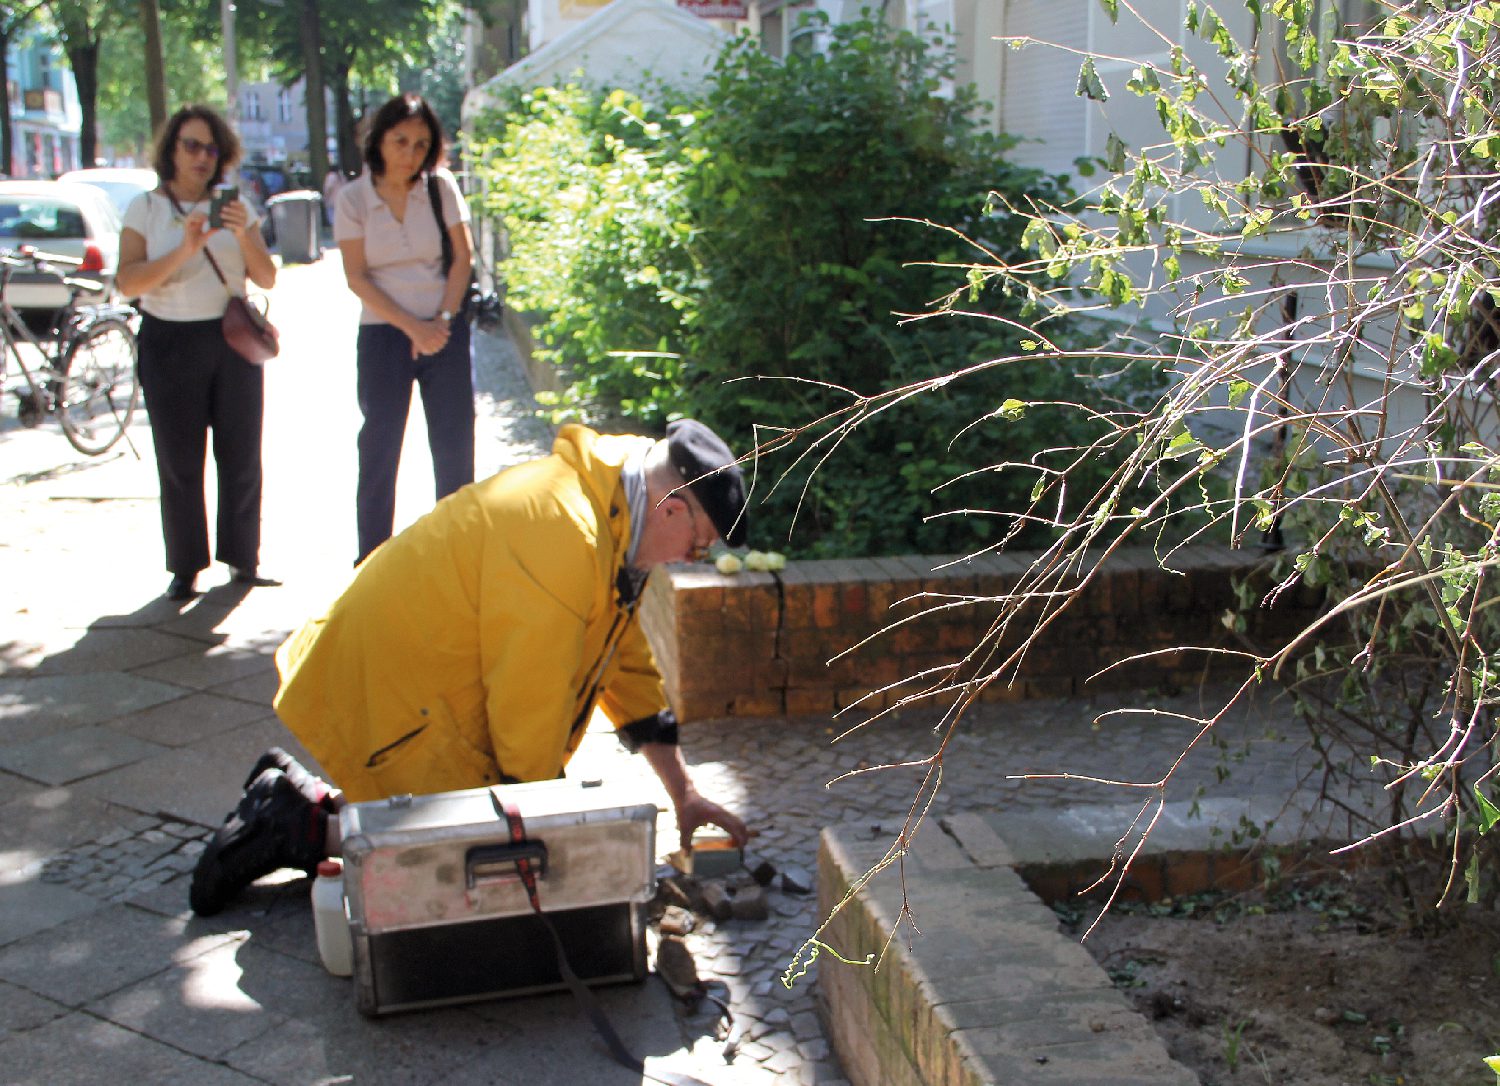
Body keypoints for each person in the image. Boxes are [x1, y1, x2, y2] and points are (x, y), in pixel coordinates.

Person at [189, 419, 753, 916]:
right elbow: (525, 713)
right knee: (469, 850)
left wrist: (684, 794)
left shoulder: (617, 517)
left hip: (415, 679)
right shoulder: (564, 535)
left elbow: (626, 669)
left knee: (487, 826)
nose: (689, 560)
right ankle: (296, 827)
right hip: (388, 687)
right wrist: (544, 842)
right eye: (697, 546)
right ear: (671, 507)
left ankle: (300, 798)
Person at [117, 105, 279, 601]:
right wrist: (185, 249)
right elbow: (128, 283)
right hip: (169, 340)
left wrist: (239, 233)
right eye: (191, 145)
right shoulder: (145, 208)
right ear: (170, 151)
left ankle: (242, 558)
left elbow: (268, 276)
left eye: (211, 148)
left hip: (231, 339)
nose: (201, 157)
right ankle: (185, 566)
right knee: (179, 460)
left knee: (241, 453)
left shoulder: (236, 207)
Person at [334, 93, 477, 566]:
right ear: (378, 141)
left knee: (454, 445)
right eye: (400, 141)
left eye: (421, 144)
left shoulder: (440, 189)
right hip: (384, 332)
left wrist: (440, 322)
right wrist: (411, 328)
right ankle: (371, 560)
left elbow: (463, 259)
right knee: (379, 445)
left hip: (444, 327)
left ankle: (457, 551)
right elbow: (357, 276)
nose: (410, 154)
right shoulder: (354, 199)